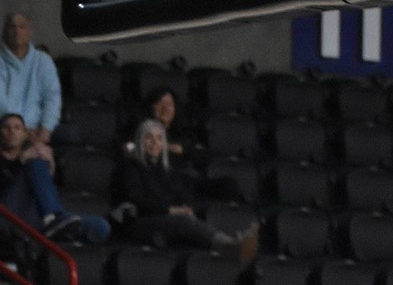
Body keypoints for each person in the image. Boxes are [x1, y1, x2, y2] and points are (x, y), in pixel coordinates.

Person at [112, 120, 258, 266]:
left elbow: (189, 185)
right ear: (140, 141)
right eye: (149, 137)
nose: (154, 142)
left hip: (162, 219)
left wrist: (185, 207)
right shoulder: (130, 168)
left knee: (197, 211)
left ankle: (233, 241)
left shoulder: (165, 171)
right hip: (139, 222)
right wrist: (172, 210)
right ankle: (230, 245)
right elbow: (137, 200)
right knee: (182, 220)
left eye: (159, 138)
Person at [0, 110, 108, 244]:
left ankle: (61, 233)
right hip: (8, 216)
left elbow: (49, 190)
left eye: (17, 127)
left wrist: (51, 168)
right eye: (6, 127)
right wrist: (21, 161)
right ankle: (53, 219)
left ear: (25, 134)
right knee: (36, 162)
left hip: (36, 219)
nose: (12, 131)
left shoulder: (33, 154)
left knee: (101, 225)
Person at [0, 12, 60, 144]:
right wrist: (18, 130)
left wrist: (46, 129)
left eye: (22, 27)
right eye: (12, 27)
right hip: (3, 132)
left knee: (39, 164)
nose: (17, 31)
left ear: (29, 31)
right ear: (5, 31)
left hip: (35, 132)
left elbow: (52, 97)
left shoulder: (43, 61)